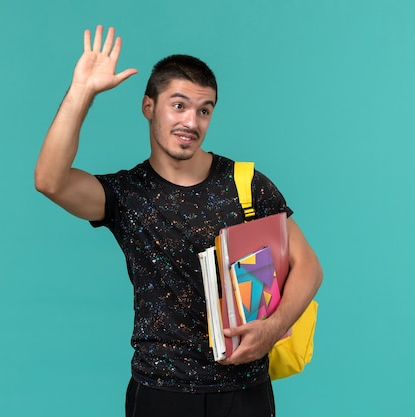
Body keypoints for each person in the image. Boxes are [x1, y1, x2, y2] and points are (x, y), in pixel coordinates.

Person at [34, 25, 323, 417]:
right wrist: (82, 92)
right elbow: (50, 181)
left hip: (245, 391)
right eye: (179, 105)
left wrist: (273, 329)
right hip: (160, 392)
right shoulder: (126, 194)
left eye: (204, 110)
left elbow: (309, 267)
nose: (192, 121)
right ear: (149, 106)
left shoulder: (246, 183)